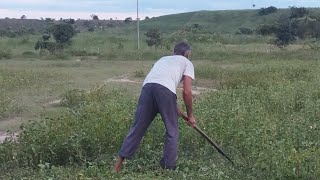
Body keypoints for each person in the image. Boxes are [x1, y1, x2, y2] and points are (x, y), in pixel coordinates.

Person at [113, 42, 196, 172]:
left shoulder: (162, 59)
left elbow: (160, 82)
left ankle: (117, 167)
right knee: (172, 131)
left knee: (137, 128)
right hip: (164, 91)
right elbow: (186, 91)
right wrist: (190, 115)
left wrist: (173, 106)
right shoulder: (187, 62)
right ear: (188, 54)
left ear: (173, 52)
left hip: (147, 88)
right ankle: (168, 169)